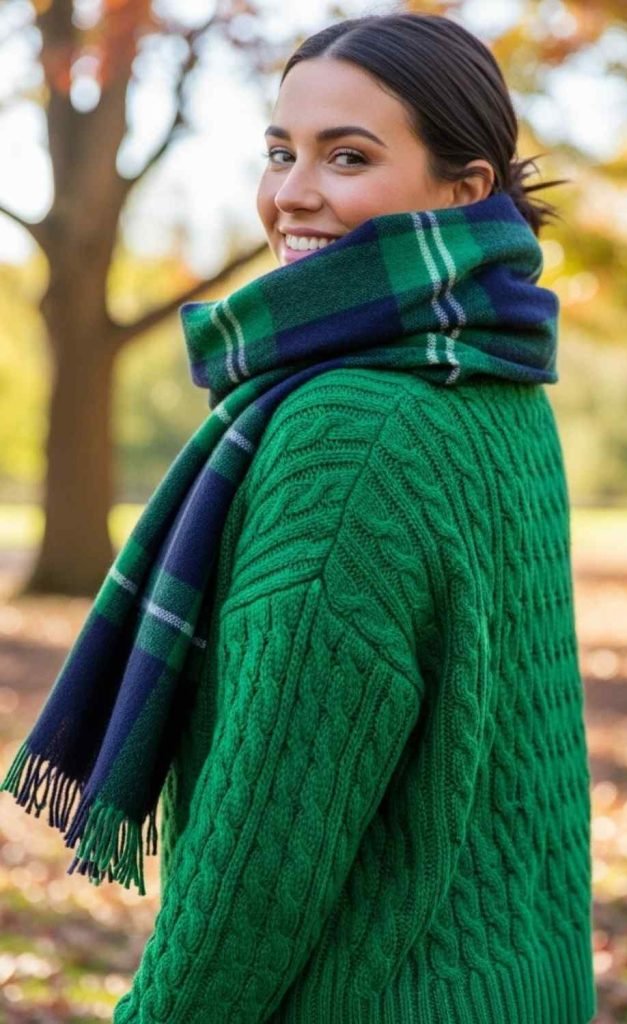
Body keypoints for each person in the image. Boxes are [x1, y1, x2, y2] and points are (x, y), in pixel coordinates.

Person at [0, 12, 596, 1023]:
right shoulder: (502, 386)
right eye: (280, 151)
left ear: (463, 189)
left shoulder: (345, 427)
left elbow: (262, 857)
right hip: (520, 981)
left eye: (347, 155)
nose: (291, 193)